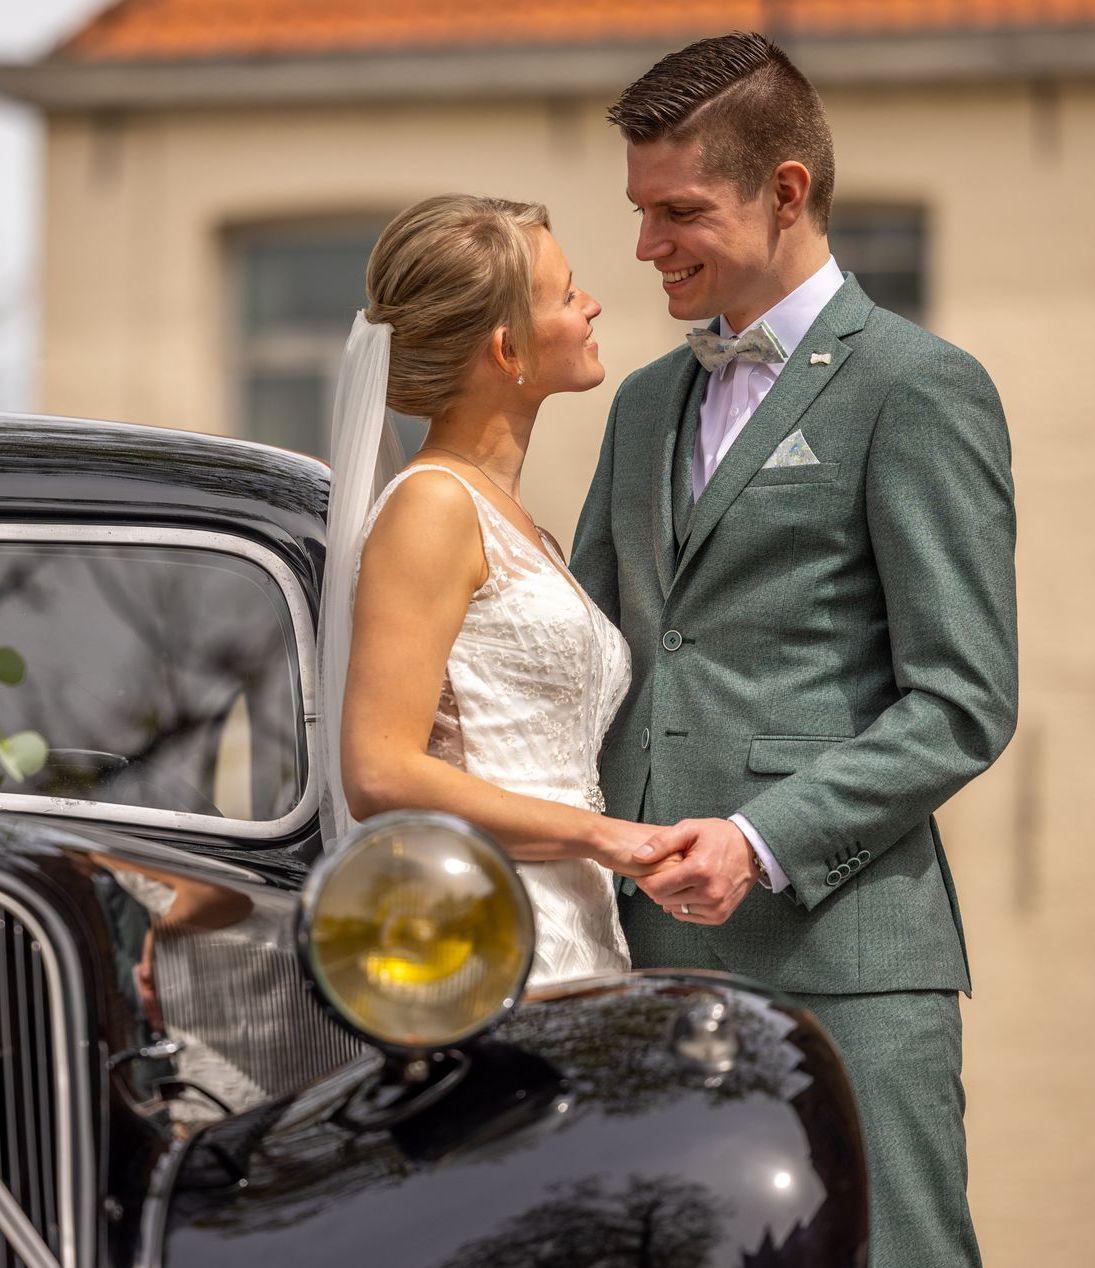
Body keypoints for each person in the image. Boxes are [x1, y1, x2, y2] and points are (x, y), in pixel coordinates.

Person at [570, 32, 1017, 1268]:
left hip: (848, 962)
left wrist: (760, 840)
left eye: (679, 211)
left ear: (785, 192)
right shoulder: (644, 400)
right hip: (646, 958)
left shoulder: (920, 386)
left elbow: (962, 699)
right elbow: (595, 656)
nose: (648, 244)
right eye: (639, 211)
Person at [316, 194, 666, 987]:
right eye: (567, 292)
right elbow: (380, 771)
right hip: (483, 939)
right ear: (508, 348)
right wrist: (611, 839)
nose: (592, 305)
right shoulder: (433, 506)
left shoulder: (515, 522)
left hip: (571, 928)